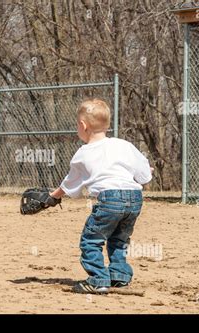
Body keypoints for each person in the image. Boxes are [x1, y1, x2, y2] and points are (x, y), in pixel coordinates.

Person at [50, 99, 153, 294]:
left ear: (83, 126)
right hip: (135, 199)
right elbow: (144, 175)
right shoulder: (123, 145)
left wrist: (52, 197)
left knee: (91, 239)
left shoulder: (83, 153)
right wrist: (148, 172)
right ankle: (119, 275)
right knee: (119, 239)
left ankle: (98, 279)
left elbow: (70, 184)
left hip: (109, 199)